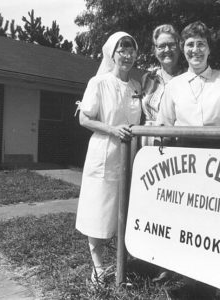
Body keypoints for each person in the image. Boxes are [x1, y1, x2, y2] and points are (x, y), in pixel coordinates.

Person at [74, 31, 142, 288]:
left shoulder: (136, 86)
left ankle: (121, 265)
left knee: (123, 209)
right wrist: (113, 129)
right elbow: (84, 118)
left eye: (132, 50)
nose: (127, 55)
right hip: (104, 151)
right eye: (122, 50)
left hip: (129, 155)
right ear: (112, 54)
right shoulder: (99, 82)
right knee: (99, 210)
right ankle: (98, 267)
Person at [157, 21, 220, 149]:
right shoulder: (173, 85)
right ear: (183, 49)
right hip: (183, 157)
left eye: (201, 44)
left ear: (209, 49)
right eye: (190, 44)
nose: (195, 50)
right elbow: (163, 127)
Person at [141, 24, 184, 146]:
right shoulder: (147, 78)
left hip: (176, 142)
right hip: (147, 141)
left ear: (179, 47)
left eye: (171, 45)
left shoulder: (187, 78)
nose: (167, 50)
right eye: (161, 46)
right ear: (155, 50)